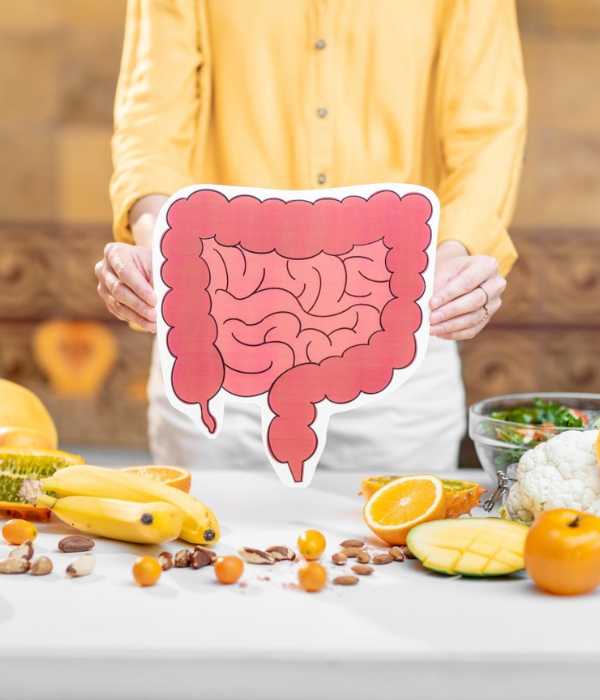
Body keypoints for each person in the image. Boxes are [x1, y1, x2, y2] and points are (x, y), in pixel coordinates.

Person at [96, 1, 526, 473]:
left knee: (391, 545)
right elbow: (151, 111)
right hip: (214, 351)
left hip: (402, 348)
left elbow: (488, 129)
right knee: (203, 542)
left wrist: (457, 252)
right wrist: (155, 236)